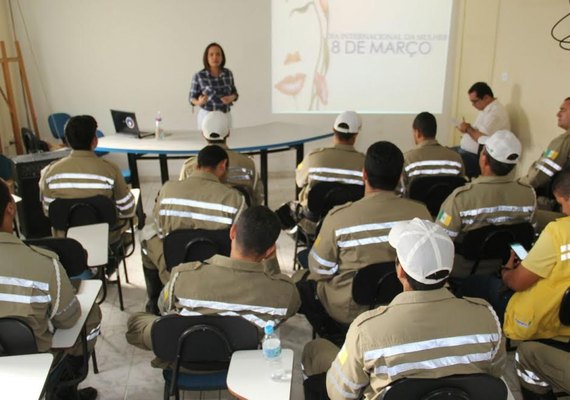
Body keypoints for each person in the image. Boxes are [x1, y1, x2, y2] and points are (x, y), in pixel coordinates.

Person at [301, 218, 506, 400]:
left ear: (400, 270)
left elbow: (341, 394)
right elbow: (494, 373)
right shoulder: (487, 317)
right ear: (449, 269)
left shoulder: (366, 330)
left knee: (315, 350)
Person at [297, 141, 431, 334]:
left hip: (350, 314)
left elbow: (319, 269)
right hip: (403, 307)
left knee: (304, 285)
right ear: (400, 177)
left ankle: (335, 341)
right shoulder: (421, 214)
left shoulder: (338, 218)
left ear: (364, 175)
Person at [126, 206, 301, 352]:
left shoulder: (183, 276)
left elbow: (162, 307)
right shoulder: (286, 293)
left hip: (184, 360)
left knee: (137, 321)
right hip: (240, 362)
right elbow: (284, 310)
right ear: (270, 251)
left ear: (232, 232)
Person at [0, 178, 101, 400]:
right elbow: (67, 319)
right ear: (10, 207)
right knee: (89, 315)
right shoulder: (44, 263)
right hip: (31, 361)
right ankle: (64, 390)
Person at [459, 167, 570, 341]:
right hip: (564, 315)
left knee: (473, 283)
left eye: (562, 203)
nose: (563, 211)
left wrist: (506, 272)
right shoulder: (527, 194)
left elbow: (518, 283)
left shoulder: (558, 231)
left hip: (545, 317)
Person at [140, 145, 246, 314]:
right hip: (217, 271)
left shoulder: (168, 190)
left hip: (175, 268)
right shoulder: (235, 199)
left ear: (197, 165)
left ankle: (154, 301)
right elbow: (240, 240)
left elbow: (160, 232)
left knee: (146, 239)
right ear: (223, 165)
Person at [437, 130, 536, 277]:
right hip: (508, 268)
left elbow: (441, 241)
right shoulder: (529, 195)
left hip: (465, 272)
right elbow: (529, 235)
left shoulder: (461, 199)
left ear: (484, 158)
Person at [39, 115, 136, 241]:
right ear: (95, 141)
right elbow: (127, 208)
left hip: (67, 242)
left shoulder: (50, 172)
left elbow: (49, 211)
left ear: (67, 141)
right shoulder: (110, 170)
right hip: (105, 239)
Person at [276, 111, 365, 230]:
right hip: (351, 225)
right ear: (355, 136)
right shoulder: (365, 163)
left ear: (333, 130)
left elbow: (299, 181)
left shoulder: (314, 157)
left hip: (313, 226)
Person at [178, 110, 263, 205]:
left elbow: (183, 197)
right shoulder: (248, 163)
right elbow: (258, 199)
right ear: (228, 133)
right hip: (240, 217)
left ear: (203, 134)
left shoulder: (189, 166)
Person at [521, 97, 570, 213]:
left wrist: (520, 186)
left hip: (558, 204)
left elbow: (541, 173)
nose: (558, 114)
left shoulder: (565, 140)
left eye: (563, 110)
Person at [400, 111, 464, 195]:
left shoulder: (407, 159)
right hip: (447, 207)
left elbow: (401, 191)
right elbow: (461, 189)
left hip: (417, 207)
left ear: (417, 133)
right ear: (434, 131)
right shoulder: (456, 158)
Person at [456, 82, 511, 177]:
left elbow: (481, 138)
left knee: (446, 160)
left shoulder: (495, 113)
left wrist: (467, 128)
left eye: (475, 101)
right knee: (443, 153)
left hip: (476, 156)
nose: (473, 105)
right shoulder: (485, 109)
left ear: (486, 97)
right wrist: (466, 129)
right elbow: (476, 131)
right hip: (467, 151)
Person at [189, 42, 238, 129]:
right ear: (206, 58)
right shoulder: (199, 75)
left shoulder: (228, 74)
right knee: (205, 142)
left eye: (218, 54)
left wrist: (231, 98)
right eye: (211, 55)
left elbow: (235, 93)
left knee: (227, 141)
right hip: (206, 116)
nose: (215, 57)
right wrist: (199, 102)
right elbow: (191, 98)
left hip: (225, 115)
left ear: (222, 57)